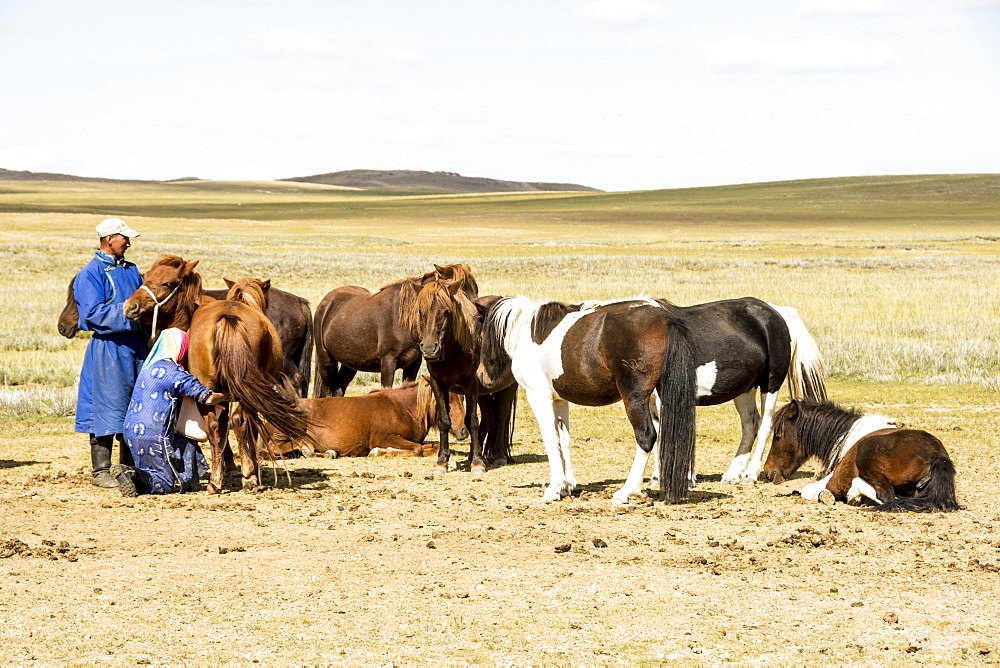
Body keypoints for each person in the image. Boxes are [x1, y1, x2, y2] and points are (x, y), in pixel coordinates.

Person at [73, 217, 148, 487]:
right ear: (109, 239)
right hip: (108, 348)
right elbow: (92, 314)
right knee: (105, 405)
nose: (128, 243)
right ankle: (101, 471)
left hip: (137, 347)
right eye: (124, 238)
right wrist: (131, 314)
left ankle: (127, 467)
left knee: (135, 405)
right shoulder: (90, 274)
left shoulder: (132, 270)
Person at [111, 328, 226, 497]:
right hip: (153, 433)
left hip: (130, 431)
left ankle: (138, 477)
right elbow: (206, 397)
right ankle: (132, 475)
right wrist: (227, 396)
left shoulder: (147, 367)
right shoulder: (174, 372)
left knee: (174, 450)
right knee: (164, 483)